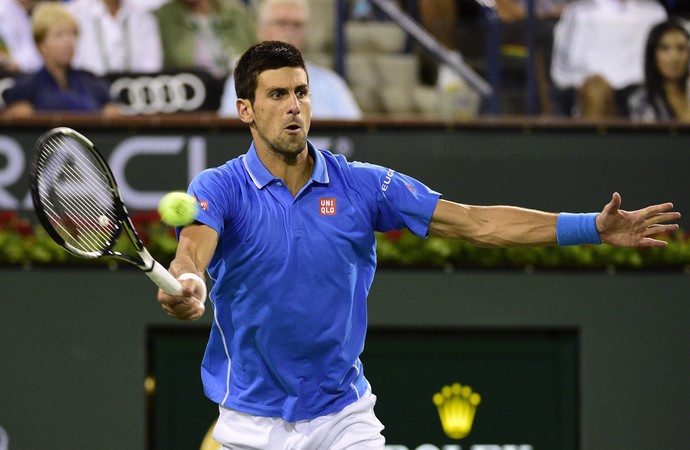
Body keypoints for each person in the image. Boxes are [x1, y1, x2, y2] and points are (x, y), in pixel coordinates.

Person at [157, 41, 680, 449]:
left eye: (301, 92)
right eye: (277, 95)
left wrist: (593, 226)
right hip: (252, 424)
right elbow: (192, 253)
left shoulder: (363, 184)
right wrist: (190, 283)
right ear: (246, 110)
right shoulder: (218, 188)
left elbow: (476, 223)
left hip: (342, 418)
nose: (294, 107)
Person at [218, 0, 362, 120]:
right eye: (282, 23)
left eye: (297, 25)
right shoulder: (241, 79)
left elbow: (356, 133)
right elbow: (233, 134)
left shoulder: (330, 83)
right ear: (260, 29)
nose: (290, 31)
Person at [550, 0, 667, 119]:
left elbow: (663, 61)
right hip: (596, 91)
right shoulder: (580, 11)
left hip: (643, 89)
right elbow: (562, 71)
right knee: (596, 92)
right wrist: (597, 84)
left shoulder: (655, 12)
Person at [1, 2, 120, 117]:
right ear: (41, 44)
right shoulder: (25, 89)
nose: (68, 42)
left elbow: (114, 115)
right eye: (59, 35)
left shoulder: (94, 83)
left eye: (72, 34)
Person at [154, 0, 256, 79]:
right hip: (193, 88)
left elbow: (254, 54)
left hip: (235, 83)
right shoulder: (165, 16)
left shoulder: (236, 12)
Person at [66, 0, 163, 76]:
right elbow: (75, 63)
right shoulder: (75, 13)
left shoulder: (142, 15)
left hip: (135, 90)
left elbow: (151, 65)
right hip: (90, 91)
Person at [628, 19, 690, 122]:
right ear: (653, 55)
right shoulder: (641, 101)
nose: (674, 58)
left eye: (681, 49)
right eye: (665, 48)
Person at [0, 0, 42, 73]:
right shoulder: (4, 9)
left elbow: (30, 45)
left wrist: (18, 63)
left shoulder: (22, 11)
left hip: (20, 70)